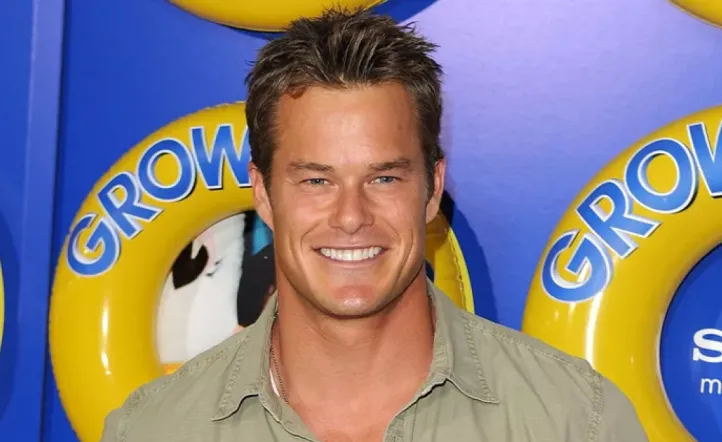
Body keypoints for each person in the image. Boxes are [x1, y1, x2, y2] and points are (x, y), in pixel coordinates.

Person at [101, 7, 648, 441]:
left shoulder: (574, 421)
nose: (351, 217)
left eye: (384, 178)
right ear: (263, 193)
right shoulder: (153, 430)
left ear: (432, 188)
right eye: (316, 180)